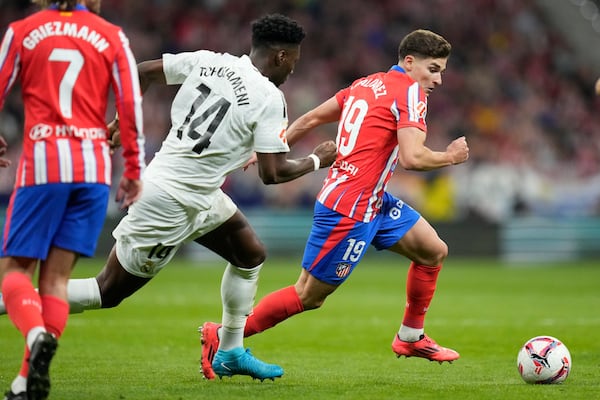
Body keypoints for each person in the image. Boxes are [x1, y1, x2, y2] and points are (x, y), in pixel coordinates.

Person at [0, 13, 337, 381]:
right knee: (108, 290)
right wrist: (317, 159)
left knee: (249, 253)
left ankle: (230, 350)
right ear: (281, 57)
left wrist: (119, 122)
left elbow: (142, 71)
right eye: (294, 62)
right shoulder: (271, 98)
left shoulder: (210, 61)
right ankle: (11, 301)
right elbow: (273, 174)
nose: (292, 73)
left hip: (198, 191)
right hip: (169, 202)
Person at [198, 28, 470, 379]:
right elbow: (413, 157)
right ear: (409, 61)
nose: (438, 79)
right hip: (349, 208)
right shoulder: (411, 93)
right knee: (309, 295)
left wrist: (265, 149)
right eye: (433, 69)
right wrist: (449, 157)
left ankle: (411, 336)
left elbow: (310, 119)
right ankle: (222, 336)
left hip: (372, 200)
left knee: (433, 251)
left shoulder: (365, 84)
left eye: (442, 72)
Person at [0, 0, 145, 398]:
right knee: (57, 279)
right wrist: (133, 169)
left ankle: (33, 335)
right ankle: (24, 381)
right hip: (94, 170)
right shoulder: (112, 35)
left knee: (14, 269)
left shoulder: (23, 31)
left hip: (43, 165)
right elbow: (130, 105)